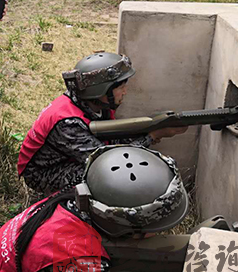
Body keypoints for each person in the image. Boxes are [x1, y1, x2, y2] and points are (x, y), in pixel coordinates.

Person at [0, 144, 189, 272]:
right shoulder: (77, 262)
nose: (159, 234)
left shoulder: (71, 203)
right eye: (156, 227)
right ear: (125, 226)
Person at [18, 52, 188, 195]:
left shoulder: (94, 104)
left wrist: (150, 130)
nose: (125, 92)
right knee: (106, 178)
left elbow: (113, 141)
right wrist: (152, 136)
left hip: (70, 158)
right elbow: (110, 163)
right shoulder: (69, 124)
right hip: (43, 174)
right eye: (120, 87)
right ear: (100, 91)